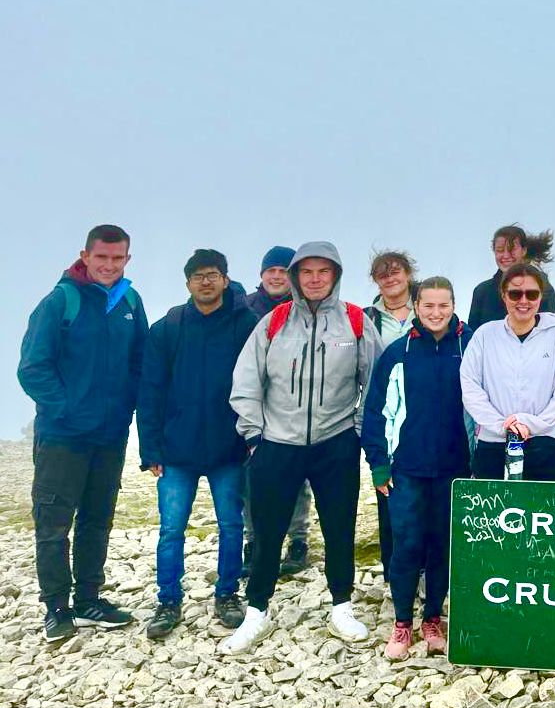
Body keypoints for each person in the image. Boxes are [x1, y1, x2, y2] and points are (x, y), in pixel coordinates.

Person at [222, 242, 383, 654]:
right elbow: (246, 381)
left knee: (338, 526)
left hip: (336, 443)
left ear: (335, 275)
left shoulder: (355, 321)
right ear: (295, 277)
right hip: (277, 443)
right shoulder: (274, 321)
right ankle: (257, 610)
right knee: (267, 529)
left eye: (323, 272)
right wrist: (255, 435)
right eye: (306, 272)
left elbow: (378, 380)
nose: (314, 279)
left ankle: (342, 606)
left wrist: (359, 428)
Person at [19, 224, 148, 642]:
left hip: (110, 436)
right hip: (63, 436)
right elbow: (33, 367)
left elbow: (139, 364)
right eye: (102, 257)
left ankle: (90, 600)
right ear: (85, 256)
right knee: (54, 523)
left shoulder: (130, 301)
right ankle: (56, 608)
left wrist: (126, 410)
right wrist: (67, 410)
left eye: (117, 258)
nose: (109, 265)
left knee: (97, 519)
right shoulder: (61, 301)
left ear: (127, 259)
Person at [138, 250, 258, 639]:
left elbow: (262, 382)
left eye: (213, 275)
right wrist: (150, 448)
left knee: (230, 524)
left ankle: (227, 595)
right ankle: (168, 601)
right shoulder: (168, 327)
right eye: (197, 276)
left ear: (225, 279)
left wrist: (254, 438)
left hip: (229, 448)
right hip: (177, 452)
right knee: (172, 529)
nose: (205, 282)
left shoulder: (246, 324)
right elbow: (150, 389)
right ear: (187, 283)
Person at [362, 277, 472, 660]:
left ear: (453, 305)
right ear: (416, 307)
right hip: (406, 468)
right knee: (406, 546)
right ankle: (402, 622)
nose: (436, 313)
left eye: (444, 306)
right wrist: (378, 462)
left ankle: (432, 617)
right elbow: (375, 411)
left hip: (455, 468)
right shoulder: (398, 352)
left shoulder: (469, 345)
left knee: (442, 544)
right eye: (428, 306)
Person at [461, 264, 555, 481]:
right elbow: (470, 386)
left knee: (545, 512)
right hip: (493, 441)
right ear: (504, 296)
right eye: (515, 294)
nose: (523, 301)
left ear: (540, 297)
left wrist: (532, 424)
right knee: (491, 513)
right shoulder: (484, 335)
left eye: (531, 294)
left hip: (545, 442)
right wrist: (500, 425)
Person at [242, 244, 312, 580]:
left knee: (297, 480)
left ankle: (298, 542)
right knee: (251, 479)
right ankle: (253, 543)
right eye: (270, 270)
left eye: (283, 271)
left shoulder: (305, 308)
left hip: (295, 408)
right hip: (257, 408)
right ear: (261, 275)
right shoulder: (244, 309)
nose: (276, 276)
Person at [363, 249, 419, 577]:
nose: (390, 278)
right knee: (389, 493)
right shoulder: (368, 318)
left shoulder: (427, 307)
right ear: (375, 280)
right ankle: (393, 572)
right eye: (383, 274)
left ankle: (428, 572)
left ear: (408, 274)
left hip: (428, 409)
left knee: (427, 496)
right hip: (386, 414)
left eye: (396, 271)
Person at [467, 225, 555, 329]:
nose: (506, 255)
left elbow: (552, 331)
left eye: (512, 249)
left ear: (524, 251)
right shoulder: (481, 291)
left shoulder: (544, 288)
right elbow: (473, 336)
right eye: (500, 250)